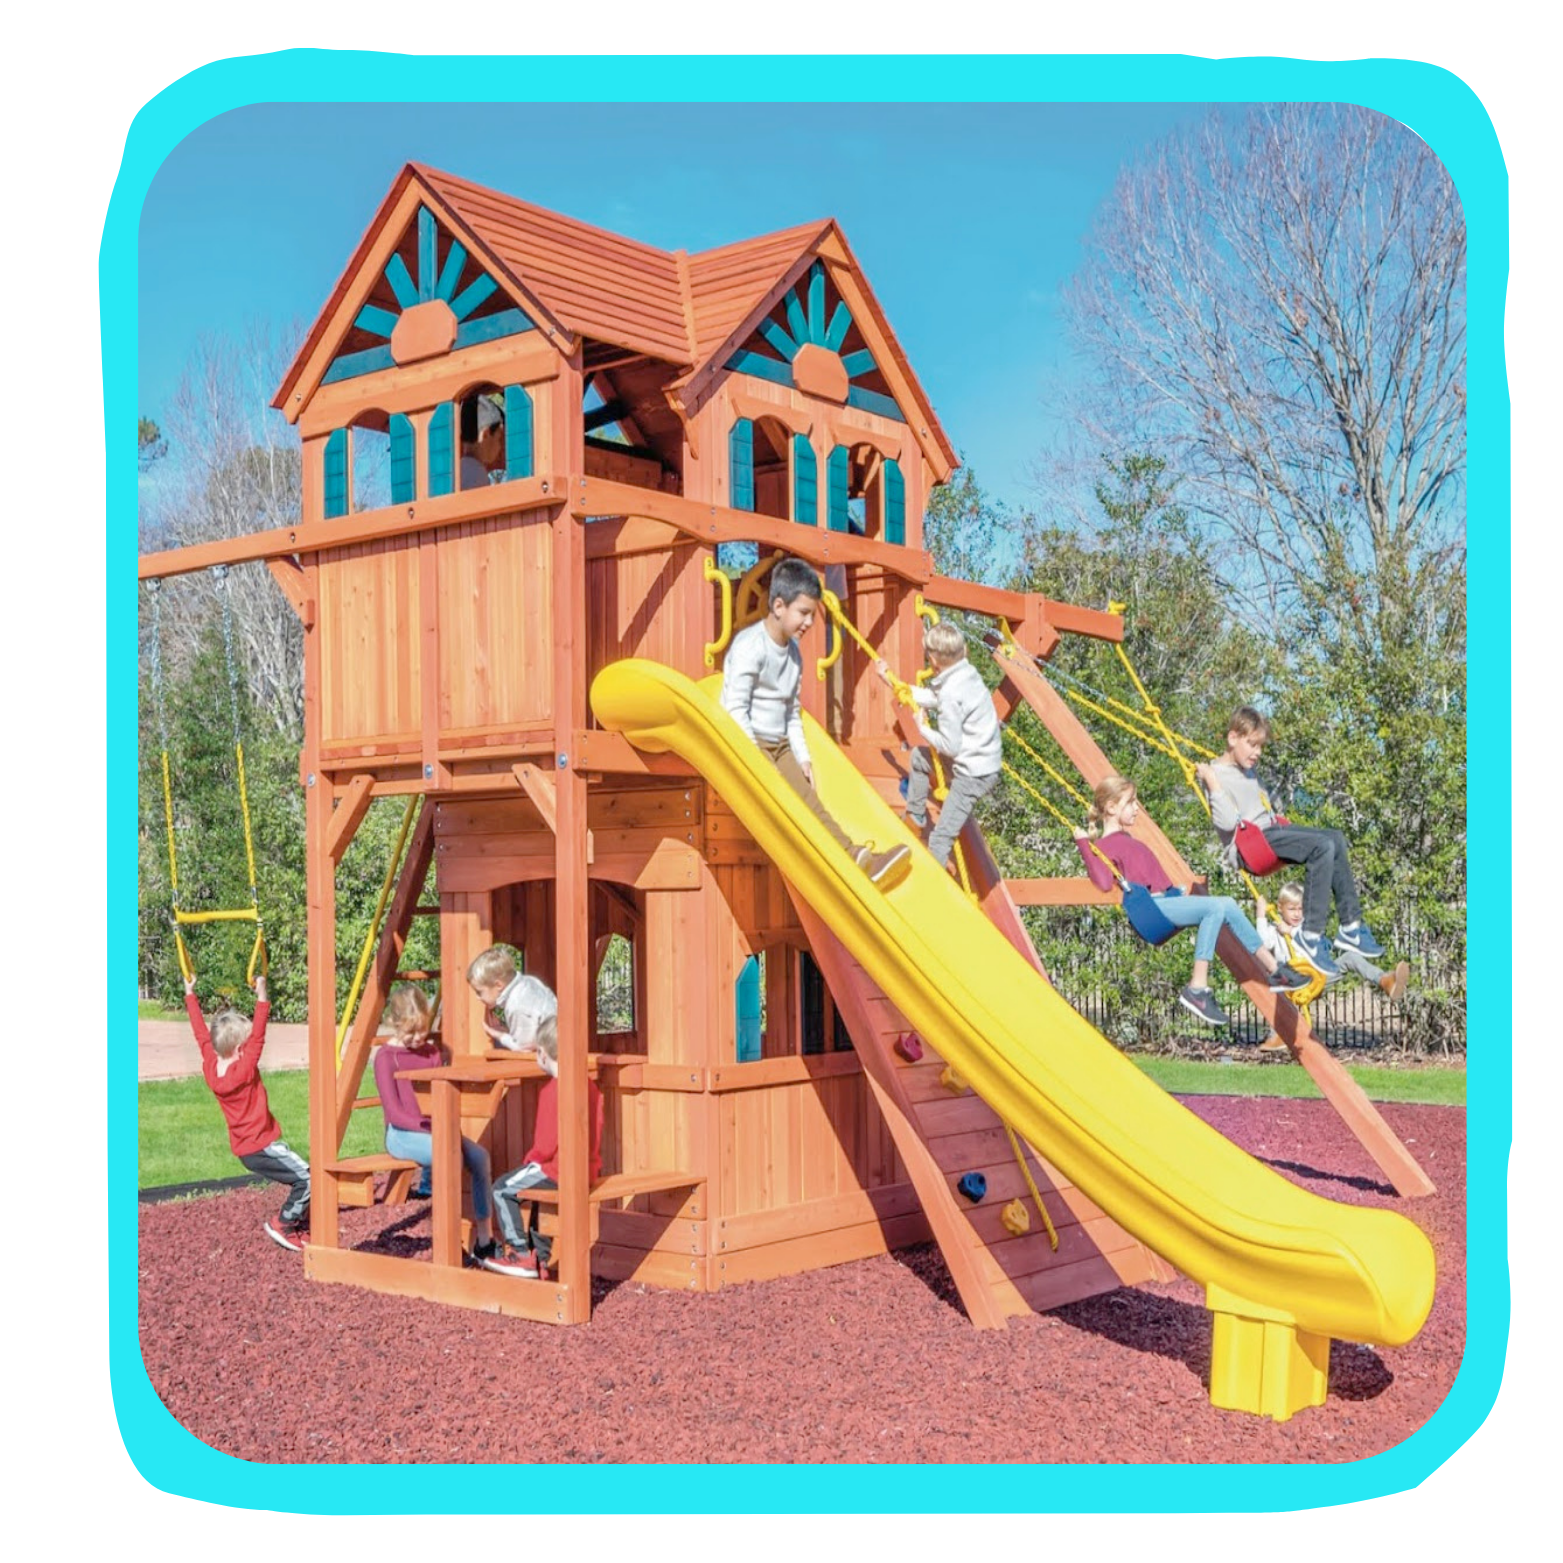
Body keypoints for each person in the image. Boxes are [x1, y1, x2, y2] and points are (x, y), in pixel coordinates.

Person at [720, 556, 910, 889]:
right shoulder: (751, 647)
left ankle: (855, 859)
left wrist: (803, 757)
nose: (809, 622)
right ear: (779, 606)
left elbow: (791, 712)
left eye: (812, 614)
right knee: (787, 805)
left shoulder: (793, 654)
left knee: (812, 803)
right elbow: (734, 708)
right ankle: (836, 867)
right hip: (746, 744)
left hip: (778, 745)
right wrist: (756, 759)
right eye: (803, 613)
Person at [1074, 775, 1311, 1027]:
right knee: (1214, 907)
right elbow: (1101, 881)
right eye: (1131, 802)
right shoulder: (1104, 846)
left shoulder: (1128, 840)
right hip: (1152, 911)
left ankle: (1275, 971)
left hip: (1164, 903)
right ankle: (1197, 988)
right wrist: (1083, 844)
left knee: (1227, 904)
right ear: (1111, 807)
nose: (1137, 808)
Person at [1195, 706, 1390, 979]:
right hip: (1251, 844)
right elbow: (1227, 822)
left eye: (1260, 746)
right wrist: (1212, 783)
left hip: (1270, 833)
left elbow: (1260, 807)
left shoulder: (1248, 770)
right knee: (1321, 847)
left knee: (1335, 838)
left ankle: (1351, 927)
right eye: (1252, 744)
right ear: (1232, 738)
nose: (1257, 752)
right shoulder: (1215, 773)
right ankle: (1310, 936)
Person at [184, 971, 311, 1252]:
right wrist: (262, 995)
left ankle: (300, 1223)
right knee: (308, 1179)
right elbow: (259, 1037)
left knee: (303, 1177)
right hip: (262, 1145)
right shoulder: (243, 1069)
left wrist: (190, 995)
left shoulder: (210, 1064)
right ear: (241, 1049)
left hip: (246, 1150)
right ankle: (283, 1223)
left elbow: (200, 1035)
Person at [372, 984, 499, 1266]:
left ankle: (484, 1240)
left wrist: (445, 1129)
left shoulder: (431, 1052)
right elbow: (395, 1113)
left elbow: (442, 1097)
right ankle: (448, 1242)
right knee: (447, 1154)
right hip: (404, 1134)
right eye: (410, 1032)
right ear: (395, 1024)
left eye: (422, 1030)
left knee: (480, 1157)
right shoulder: (385, 1058)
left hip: (438, 1130)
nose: (418, 1038)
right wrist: (434, 1130)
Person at [874, 620, 1001, 871]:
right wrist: (891, 680)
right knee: (920, 759)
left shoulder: (952, 693)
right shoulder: (964, 674)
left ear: (933, 660)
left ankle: (933, 888)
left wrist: (923, 729)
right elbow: (933, 698)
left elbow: (950, 746)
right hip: (979, 758)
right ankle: (915, 816)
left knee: (941, 838)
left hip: (974, 773)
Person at [483, 1015, 604, 1279]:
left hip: (557, 1168)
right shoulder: (590, 1087)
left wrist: (531, 1160)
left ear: (543, 1054)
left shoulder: (553, 1091)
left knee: (502, 1189)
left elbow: (545, 1145)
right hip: (586, 1168)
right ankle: (542, 1262)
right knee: (537, 1196)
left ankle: (520, 1254)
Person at [467, 947, 558, 1053]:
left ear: (498, 985)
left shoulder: (516, 1004)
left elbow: (524, 1048)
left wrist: (500, 1035)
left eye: (479, 992)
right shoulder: (529, 982)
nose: (478, 998)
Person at [459, 394, 505, 489]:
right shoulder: (475, 473)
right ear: (486, 435)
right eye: (499, 438)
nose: (500, 446)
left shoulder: (458, 470)